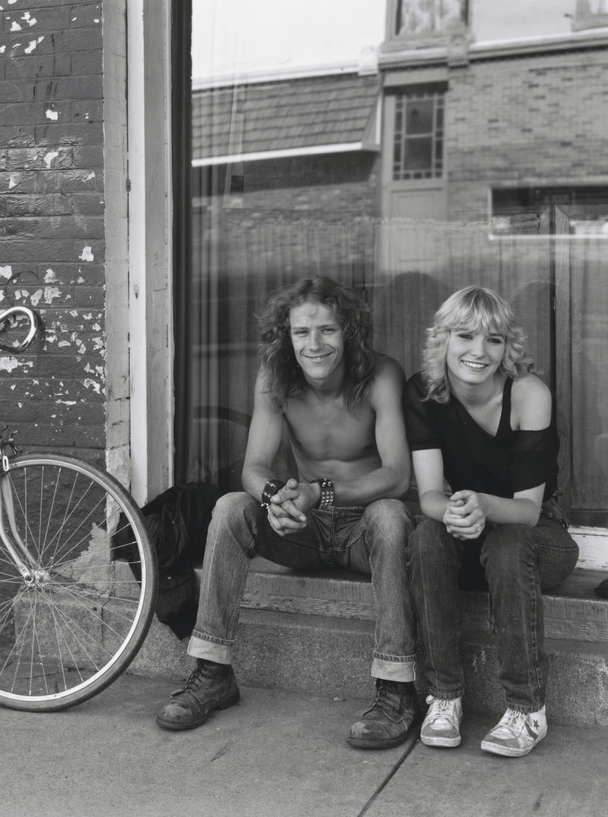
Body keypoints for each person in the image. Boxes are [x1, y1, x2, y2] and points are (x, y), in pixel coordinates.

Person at [154, 277, 418, 749]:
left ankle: (397, 689)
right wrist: (275, 498)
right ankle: (213, 672)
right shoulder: (275, 377)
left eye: (327, 330)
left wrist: (321, 493)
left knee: (391, 515)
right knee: (231, 507)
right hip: (305, 527)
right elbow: (254, 468)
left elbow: (397, 475)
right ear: (286, 336)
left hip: (364, 528)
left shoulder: (380, 375)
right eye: (301, 332)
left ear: (349, 332)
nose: (314, 344)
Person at [404, 286, 578, 758]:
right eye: (465, 336)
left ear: (507, 348)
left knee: (508, 544)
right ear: (443, 338)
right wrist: (456, 512)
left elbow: (528, 510)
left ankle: (527, 709)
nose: (479, 351)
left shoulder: (528, 393)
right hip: (469, 529)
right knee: (426, 534)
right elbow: (429, 495)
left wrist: (480, 503)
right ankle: (444, 696)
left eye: (494, 340)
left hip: (537, 539)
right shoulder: (423, 391)